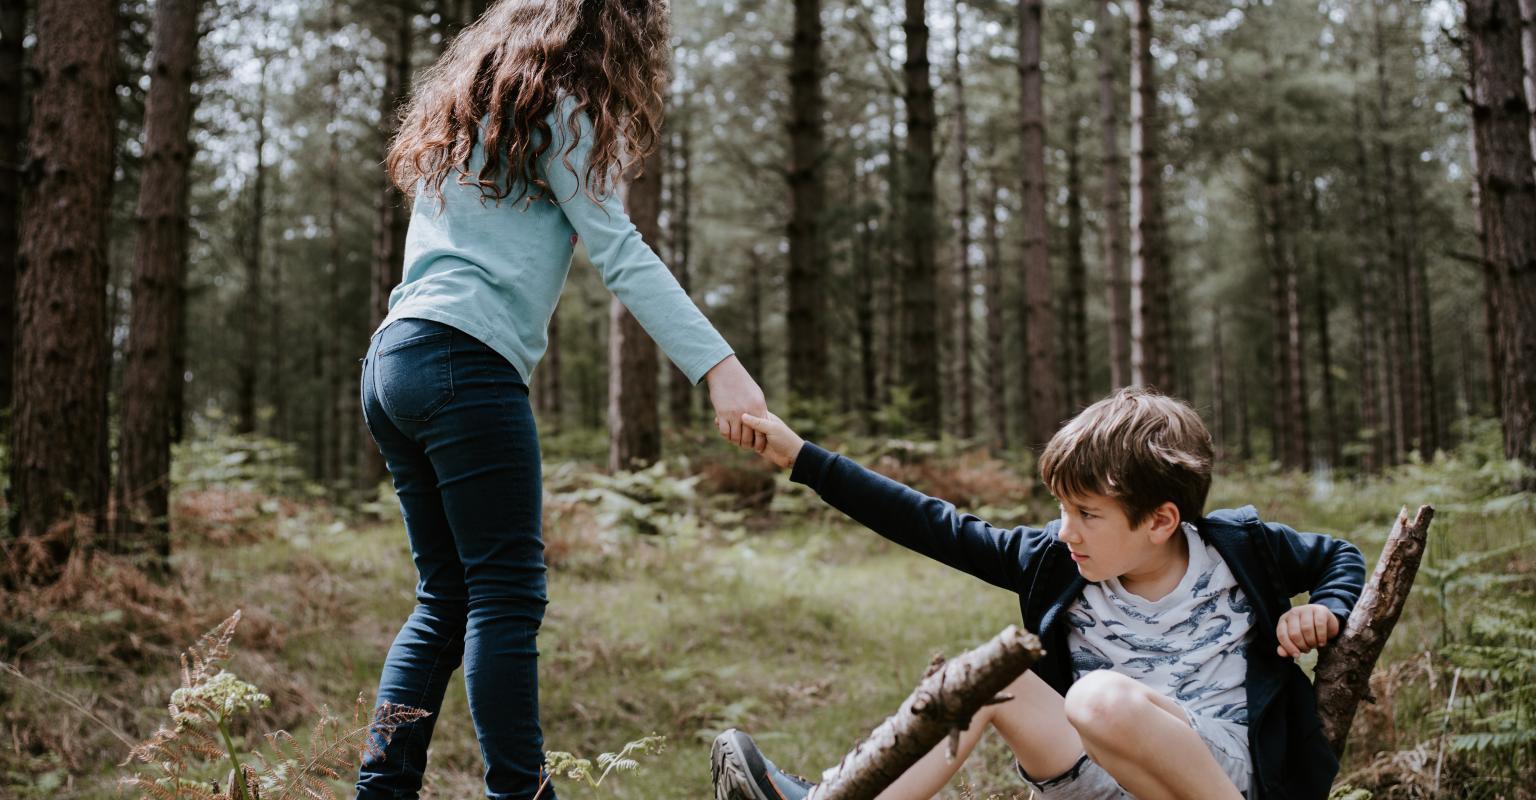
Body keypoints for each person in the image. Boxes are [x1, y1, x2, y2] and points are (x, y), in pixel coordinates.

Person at [354, 2, 766, 798]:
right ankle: (521, 792)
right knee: (505, 594)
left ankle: (383, 789)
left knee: (444, 599)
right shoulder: (563, 108)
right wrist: (719, 367)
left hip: (393, 361)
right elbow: (621, 252)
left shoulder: (471, 110)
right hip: (462, 363)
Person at [713, 388, 1365, 800]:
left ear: (1161, 520)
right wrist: (803, 458)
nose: (1065, 530)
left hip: (1220, 779)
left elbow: (1341, 556)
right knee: (988, 677)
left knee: (1099, 698)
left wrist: (1324, 609)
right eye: (1061, 508)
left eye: (1088, 514)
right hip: (1095, 775)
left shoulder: (1239, 549)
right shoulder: (1056, 560)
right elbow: (930, 524)